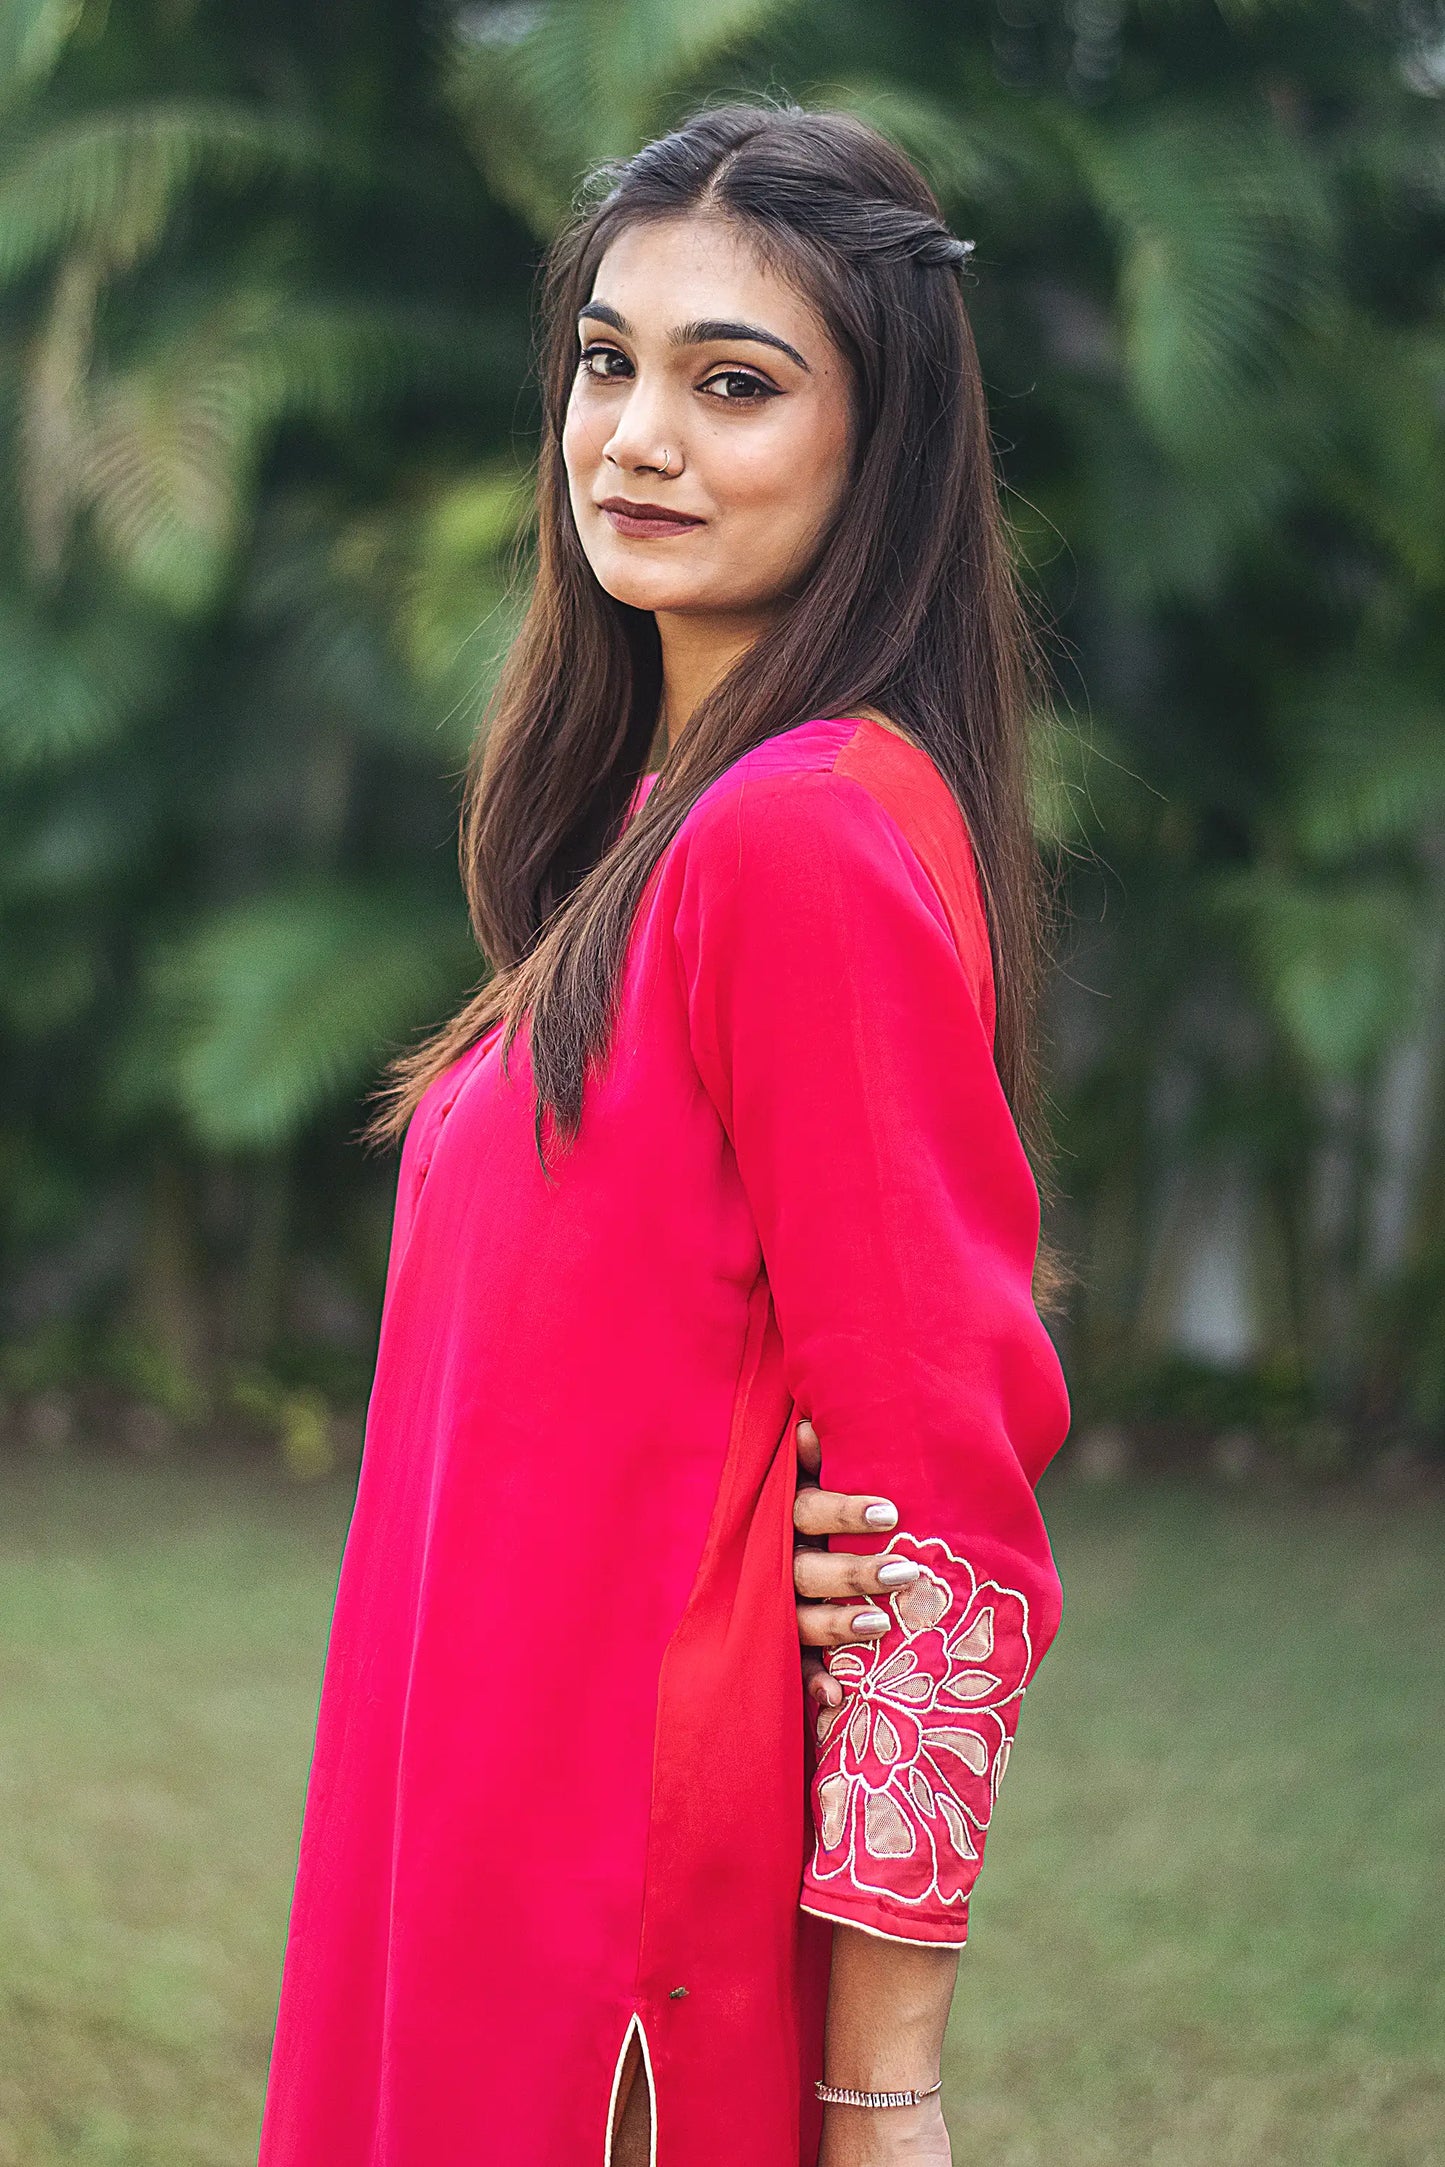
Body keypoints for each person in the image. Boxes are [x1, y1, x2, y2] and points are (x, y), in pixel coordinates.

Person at [256, 100, 1070, 2167]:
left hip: (613, 1945)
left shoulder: (799, 840)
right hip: (455, 1839)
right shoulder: (659, 825)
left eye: (734, 384)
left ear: (874, 444)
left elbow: (942, 1526)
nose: (635, 434)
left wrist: (882, 2090)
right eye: (608, 363)